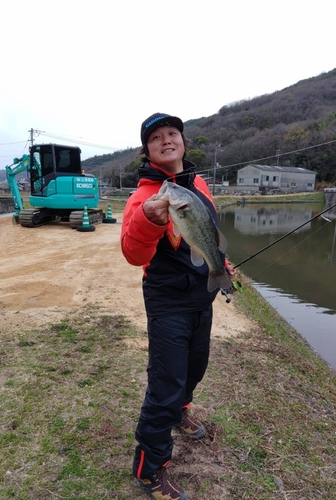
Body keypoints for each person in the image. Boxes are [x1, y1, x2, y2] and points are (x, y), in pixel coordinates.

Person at [121, 112, 235, 500]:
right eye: (156, 137)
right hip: (168, 302)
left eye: (173, 133)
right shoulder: (144, 198)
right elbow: (133, 255)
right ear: (148, 151)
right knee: (165, 385)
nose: (166, 140)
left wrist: (222, 264)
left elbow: (206, 234)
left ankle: (181, 413)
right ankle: (149, 470)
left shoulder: (199, 183)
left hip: (201, 296)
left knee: (195, 366)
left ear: (183, 142)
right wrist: (149, 222)